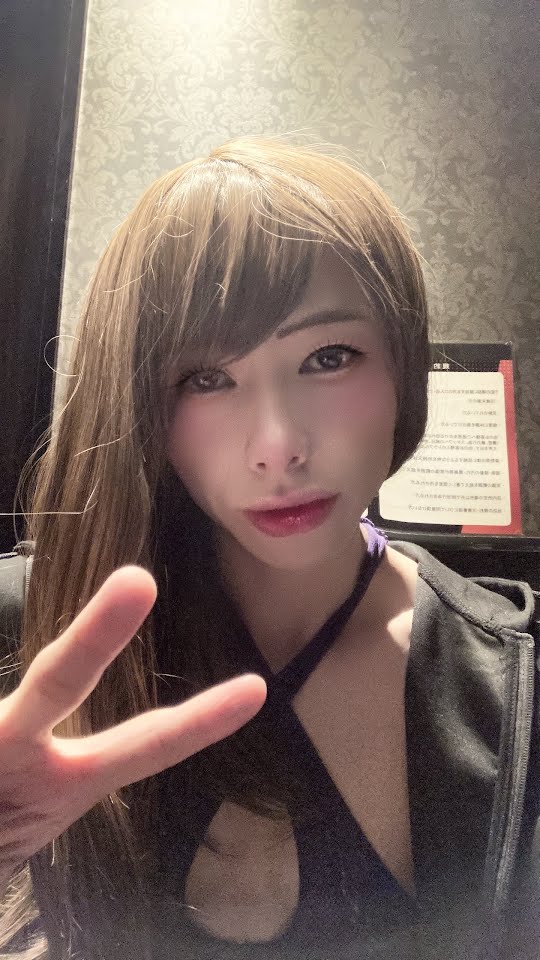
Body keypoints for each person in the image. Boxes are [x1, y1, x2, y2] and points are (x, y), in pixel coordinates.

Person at [0, 137, 538, 960]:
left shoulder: (512, 685)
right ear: (140, 402)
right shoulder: (27, 632)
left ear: (402, 368)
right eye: (206, 378)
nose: (279, 446)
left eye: (329, 357)